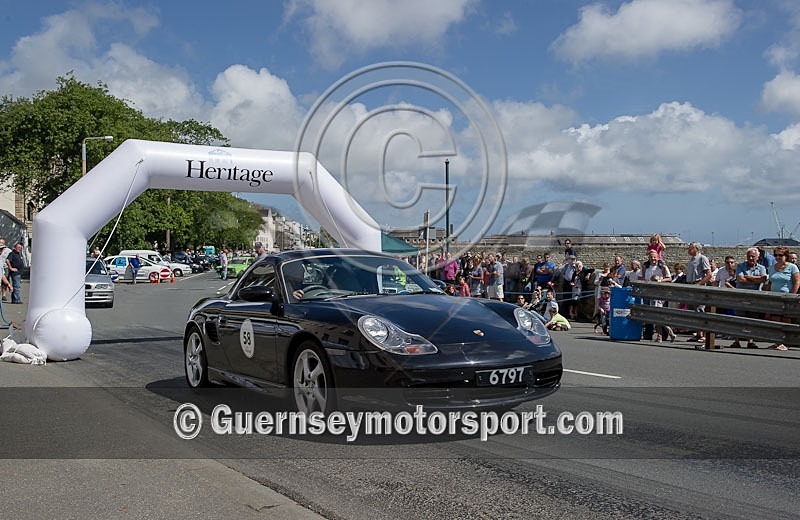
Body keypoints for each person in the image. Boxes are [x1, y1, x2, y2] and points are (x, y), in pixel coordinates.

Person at [763, 246, 800, 350]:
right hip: (775, 297)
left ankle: (786, 342)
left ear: (786, 256)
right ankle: (777, 341)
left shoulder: (792, 267)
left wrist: (792, 296)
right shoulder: (772, 268)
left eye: (781, 255)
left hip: (787, 297)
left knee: (785, 320)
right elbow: (770, 282)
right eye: (776, 255)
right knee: (775, 319)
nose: (778, 257)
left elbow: (797, 282)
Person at [733, 247, 767, 349]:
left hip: (754, 297)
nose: (751, 258)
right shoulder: (740, 266)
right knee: (739, 318)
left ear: (757, 257)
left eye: (753, 256)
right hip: (742, 296)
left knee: (753, 318)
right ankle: (736, 340)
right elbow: (741, 280)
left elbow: (763, 279)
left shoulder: (761, 268)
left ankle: (750, 341)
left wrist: (749, 277)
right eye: (749, 256)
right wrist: (756, 279)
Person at [685, 242, 712, 347]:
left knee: (700, 310)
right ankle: (698, 333)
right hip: (690, 285)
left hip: (698, 285)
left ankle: (703, 334)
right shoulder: (691, 260)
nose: (689, 249)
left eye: (691, 248)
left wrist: (699, 284)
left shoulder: (702, 258)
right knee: (693, 310)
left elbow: (708, 274)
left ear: (696, 249)